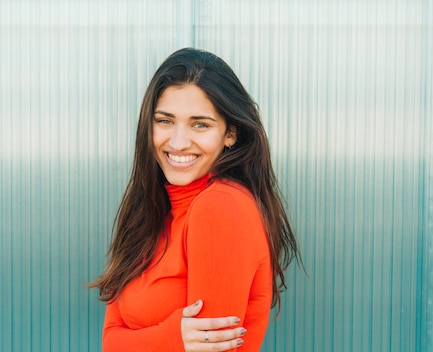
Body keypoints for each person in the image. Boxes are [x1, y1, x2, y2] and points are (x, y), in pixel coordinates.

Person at [90, 48, 301, 351]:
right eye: (164, 121)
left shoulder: (221, 206)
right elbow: (110, 339)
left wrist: (150, 340)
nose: (177, 142)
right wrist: (173, 336)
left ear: (230, 133)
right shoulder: (151, 215)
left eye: (200, 124)